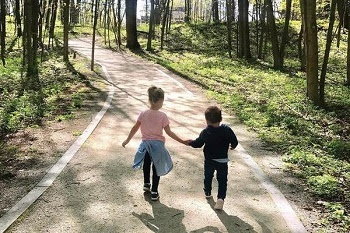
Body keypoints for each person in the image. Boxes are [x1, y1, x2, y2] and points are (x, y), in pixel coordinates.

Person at [122, 86, 186, 201]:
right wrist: (183, 141)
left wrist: (127, 140)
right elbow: (169, 133)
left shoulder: (143, 114)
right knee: (157, 167)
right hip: (158, 146)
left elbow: (135, 128)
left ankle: (146, 183)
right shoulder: (162, 116)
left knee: (146, 164)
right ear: (160, 101)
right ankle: (154, 191)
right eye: (162, 101)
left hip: (145, 145)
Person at [188, 106, 238, 210]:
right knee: (222, 180)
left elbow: (198, 143)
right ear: (220, 118)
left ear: (207, 120)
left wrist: (190, 142)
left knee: (208, 176)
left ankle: (207, 191)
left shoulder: (206, 132)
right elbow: (234, 141)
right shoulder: (226, 129)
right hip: (222, 160)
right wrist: (233, 145)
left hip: (209, 160)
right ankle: (221, 198)